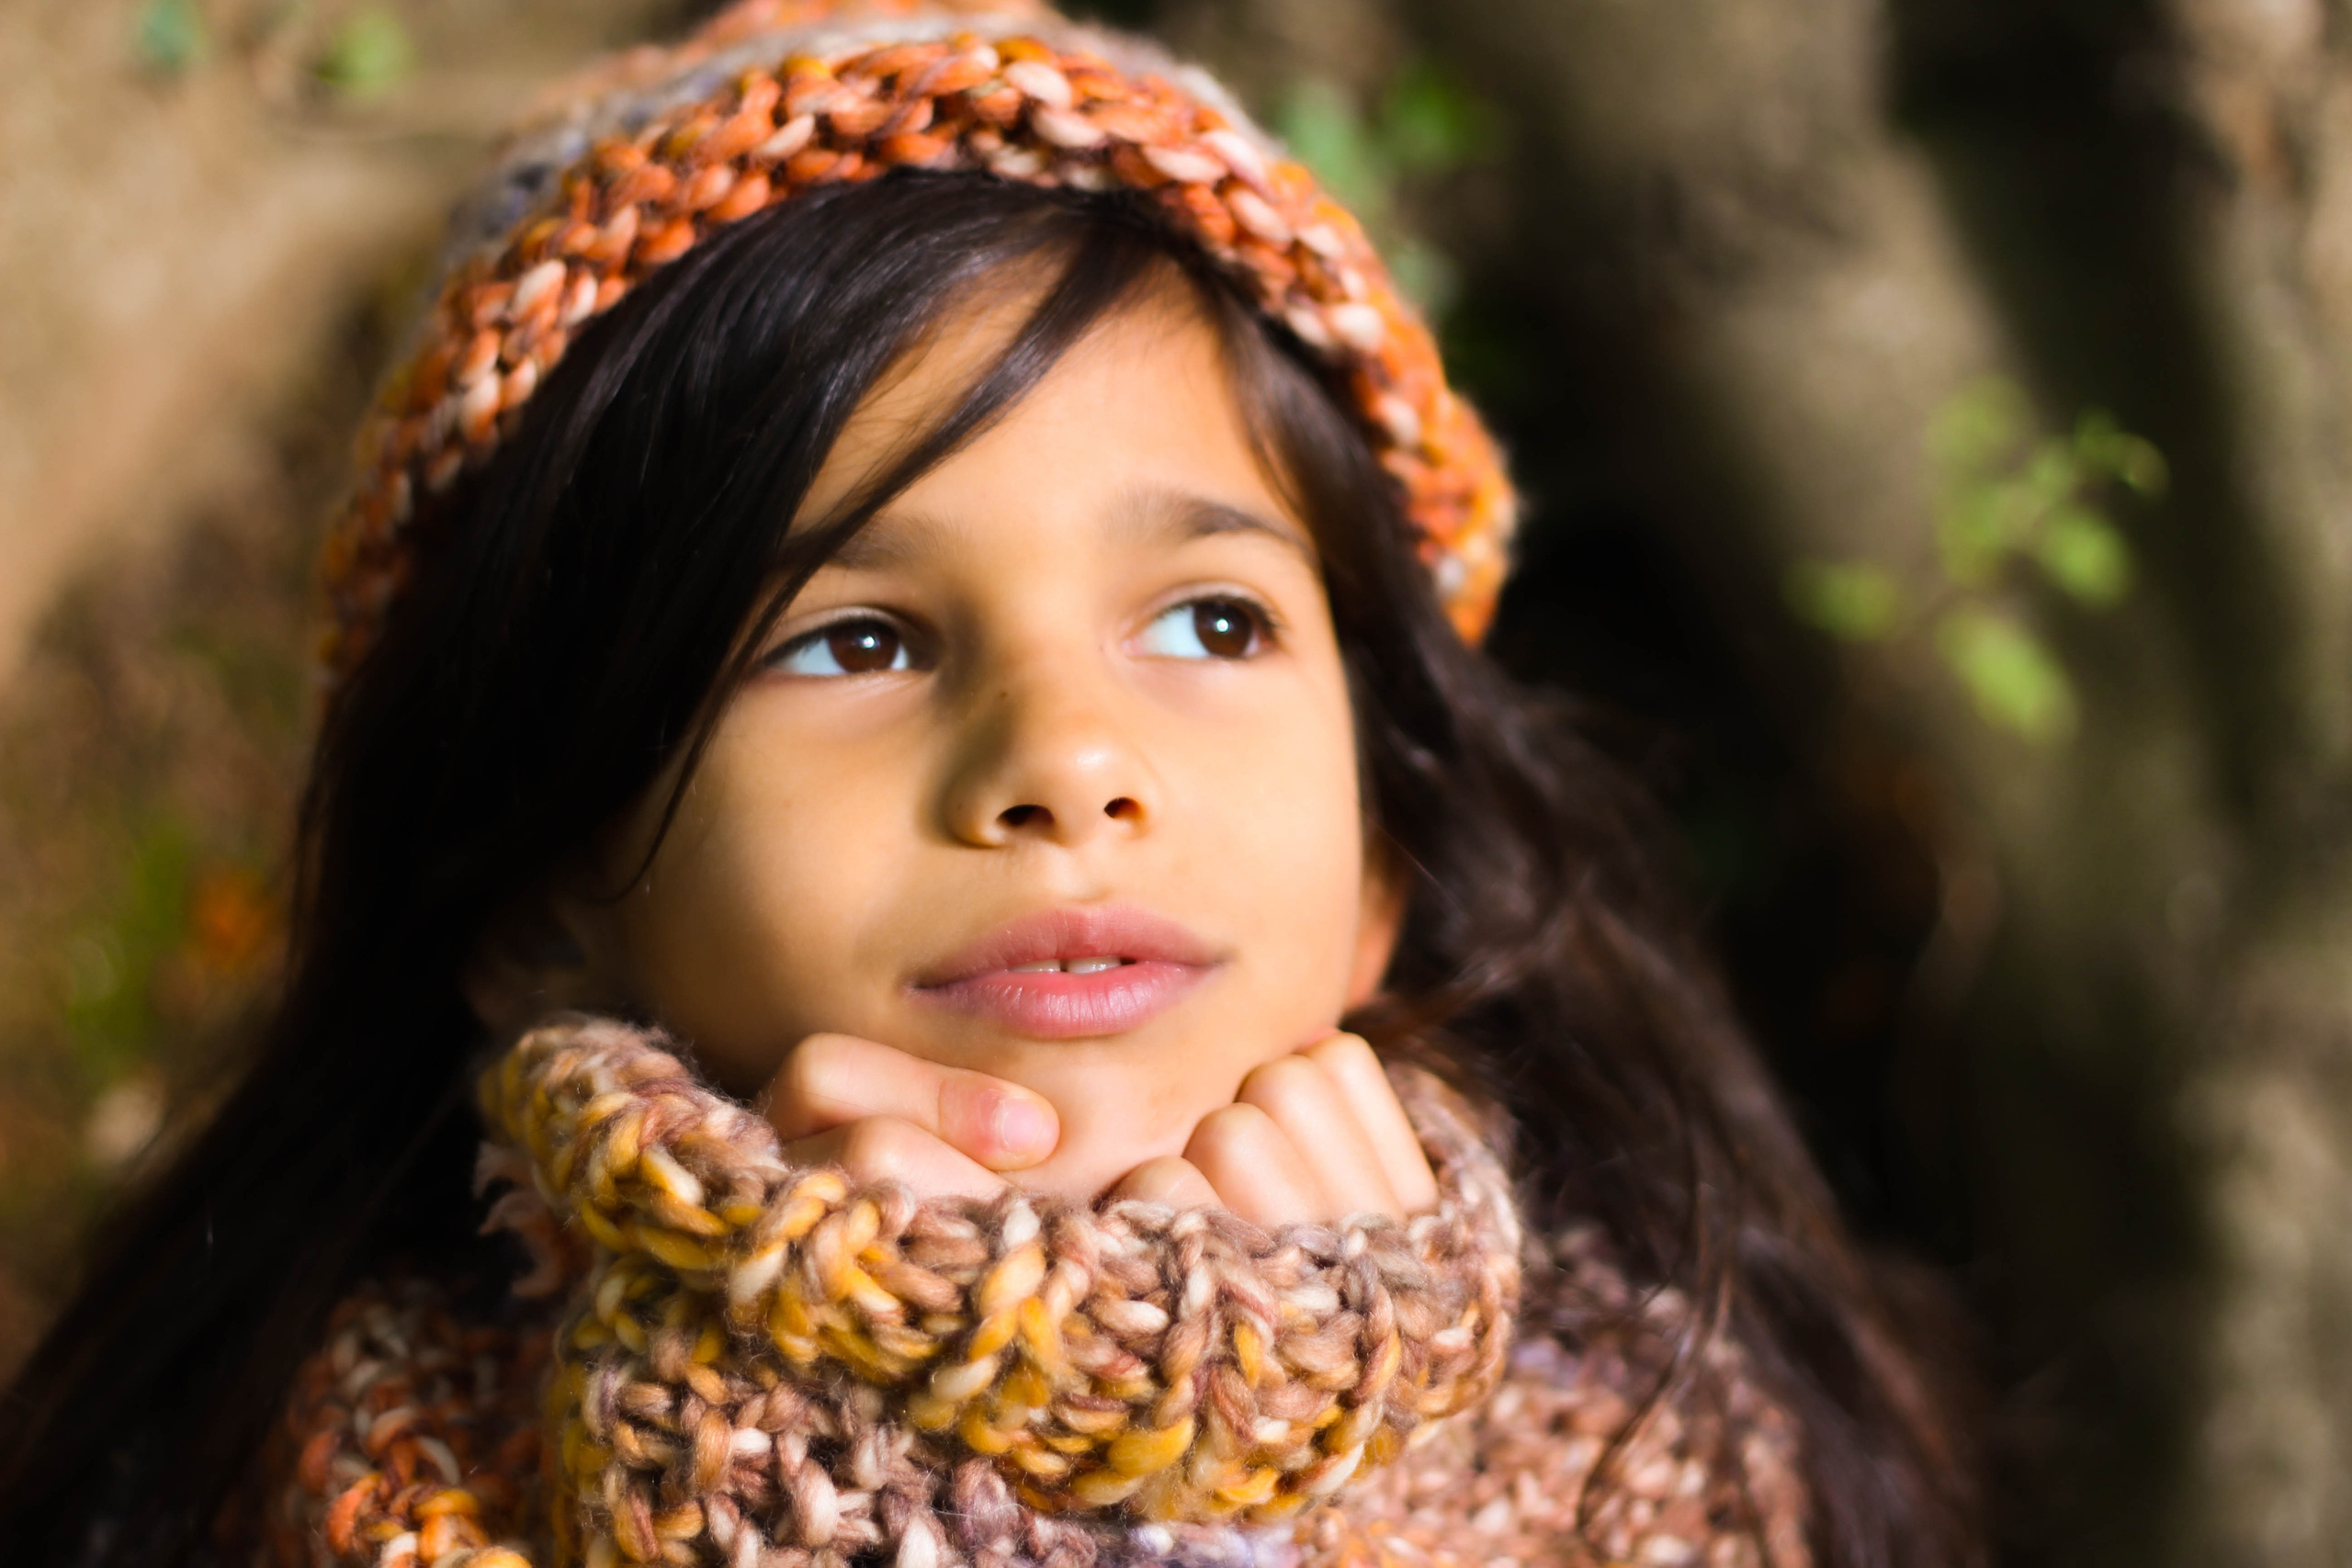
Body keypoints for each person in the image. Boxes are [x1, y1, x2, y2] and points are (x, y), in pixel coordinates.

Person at [0, 3, 1982, 1564]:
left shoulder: (1698, 1460)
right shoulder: (266, 1496)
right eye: (854, 641)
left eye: (1208, 620)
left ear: (1386, 843)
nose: (1067, 760)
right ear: (542, 897)